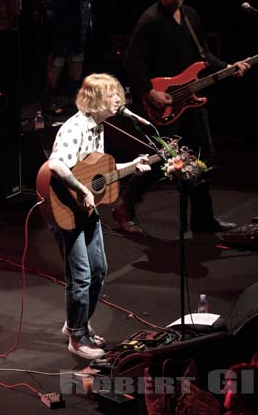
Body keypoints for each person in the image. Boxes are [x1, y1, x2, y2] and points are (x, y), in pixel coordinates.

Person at [114, 0, 250, 234]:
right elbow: (131, 62)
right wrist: (149, 92)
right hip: (164, 101)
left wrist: (230, 67)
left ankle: (202, 220)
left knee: (203, 156)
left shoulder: (190, 16)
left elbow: (204, 58)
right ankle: (125, 207)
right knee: (160, 159)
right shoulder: (150, 21)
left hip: (191, 100)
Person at [47, 73, 150, 359]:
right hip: (65, 207)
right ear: (95, 100)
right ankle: (78, 338)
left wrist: (133, 165)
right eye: (112, 95)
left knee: (99, 270)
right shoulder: (75, 128)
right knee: (80, 275)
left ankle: (75, 324)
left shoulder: (99, 128)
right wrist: (81, 189)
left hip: (85, 210)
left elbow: (98, 174)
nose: (119, 98)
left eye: (119, 93)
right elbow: (56, 165)